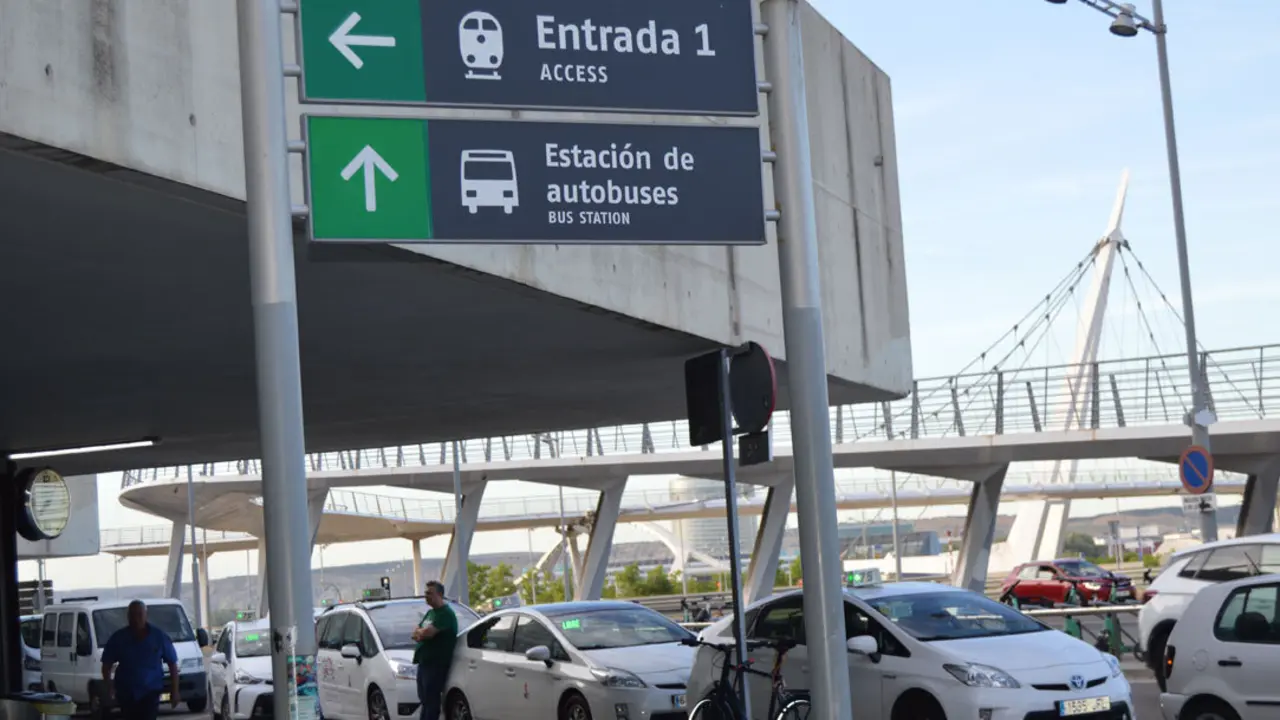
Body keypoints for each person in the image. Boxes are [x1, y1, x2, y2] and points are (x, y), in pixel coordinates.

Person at [101, 600, 179, 720]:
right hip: (126, 693)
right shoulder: (119, 638)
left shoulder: (158, 636)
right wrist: (109, 686)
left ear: (146, 615)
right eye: (132, 615)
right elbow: (106, 664)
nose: (136, 618)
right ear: (128, 617)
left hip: (150, 692)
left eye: (139, 614)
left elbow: (172, 664)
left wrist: (175, 691)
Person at [411, 581, 458, 720]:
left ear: (440, 595)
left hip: (436, 665)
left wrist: (422, 633)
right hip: (424, 663)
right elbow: (415, 633)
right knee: (424, 700)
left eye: (430, 593)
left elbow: (428, 633)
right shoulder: (431, 613)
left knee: (431, 701)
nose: (426, 596)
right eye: (426, 593)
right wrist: (421, 632)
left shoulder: (445, 614)